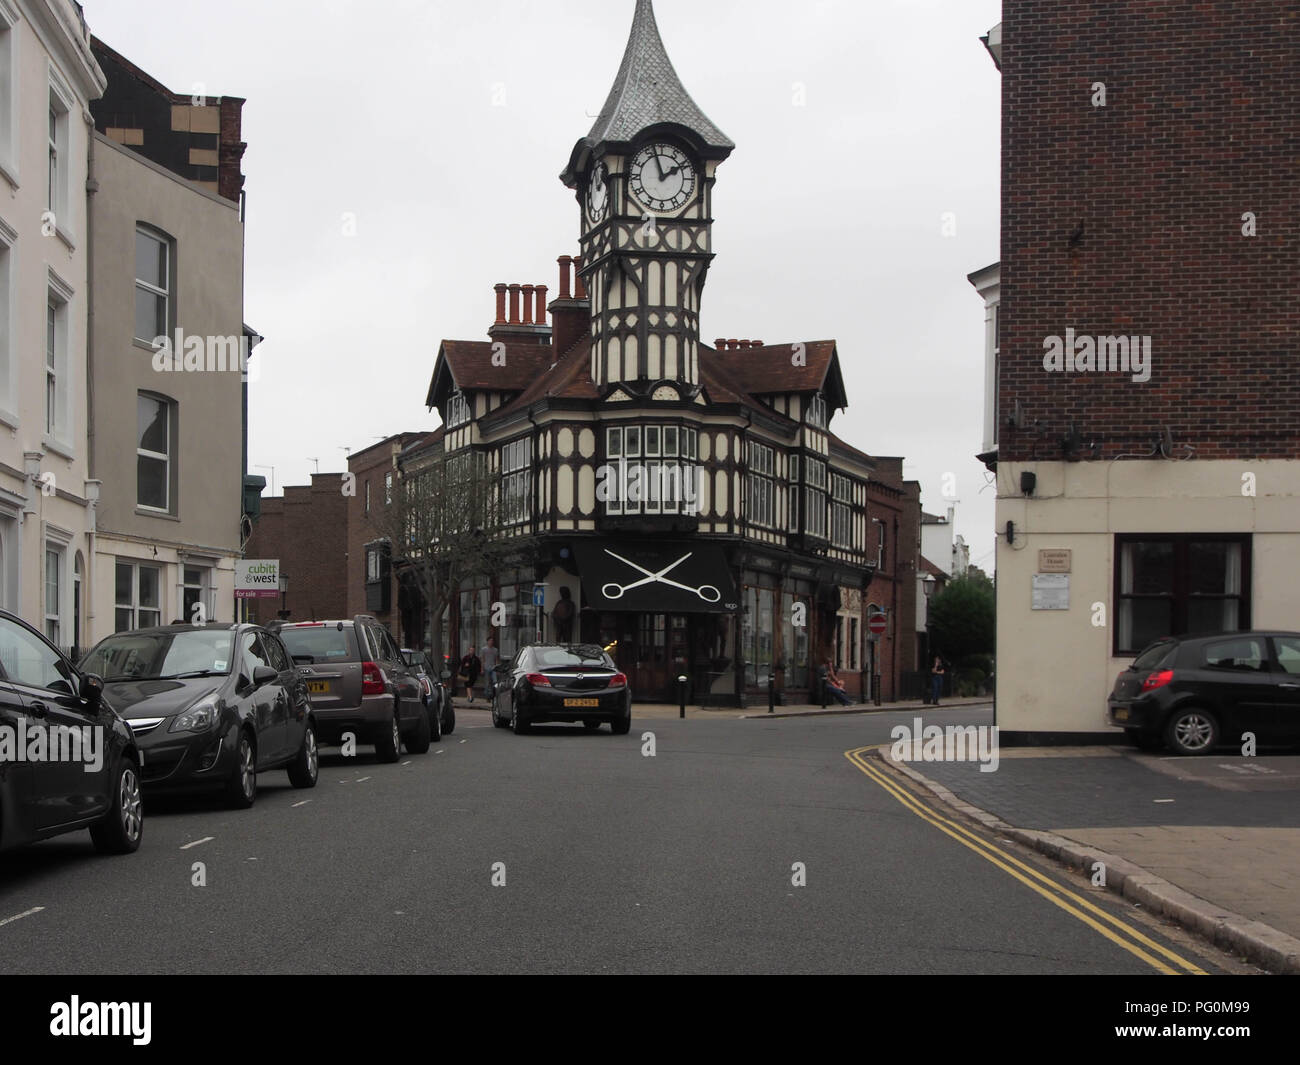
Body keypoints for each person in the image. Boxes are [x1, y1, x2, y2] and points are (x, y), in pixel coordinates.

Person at [479, 636, 499, 701]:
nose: (491, 642)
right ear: (487, 642)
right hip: (486, 667)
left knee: (494, 681)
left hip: (493, 668)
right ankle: (487, 696)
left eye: (492, 641)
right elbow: (482, 659)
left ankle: (492, 694)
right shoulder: (484, 649)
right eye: (490, 641)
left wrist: (497, 668)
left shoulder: (495, 650)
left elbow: (496, 659)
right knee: (487, 682)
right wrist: (482, 668)